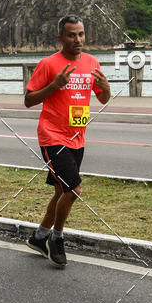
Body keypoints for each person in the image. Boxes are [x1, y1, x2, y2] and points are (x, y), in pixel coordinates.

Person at [24, 15, 110, 268]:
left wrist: (106, 88)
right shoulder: (49, 64)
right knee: (74, 189)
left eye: (81, 34)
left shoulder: (92, 62)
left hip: (77, 137)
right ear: (60, 38)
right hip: (52, 135)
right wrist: (54, 85)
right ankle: (56, 239)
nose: (78, 39)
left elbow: (103, 99)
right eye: (72, 35)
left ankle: (39, 237)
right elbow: (29, 100)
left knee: (62, 191)